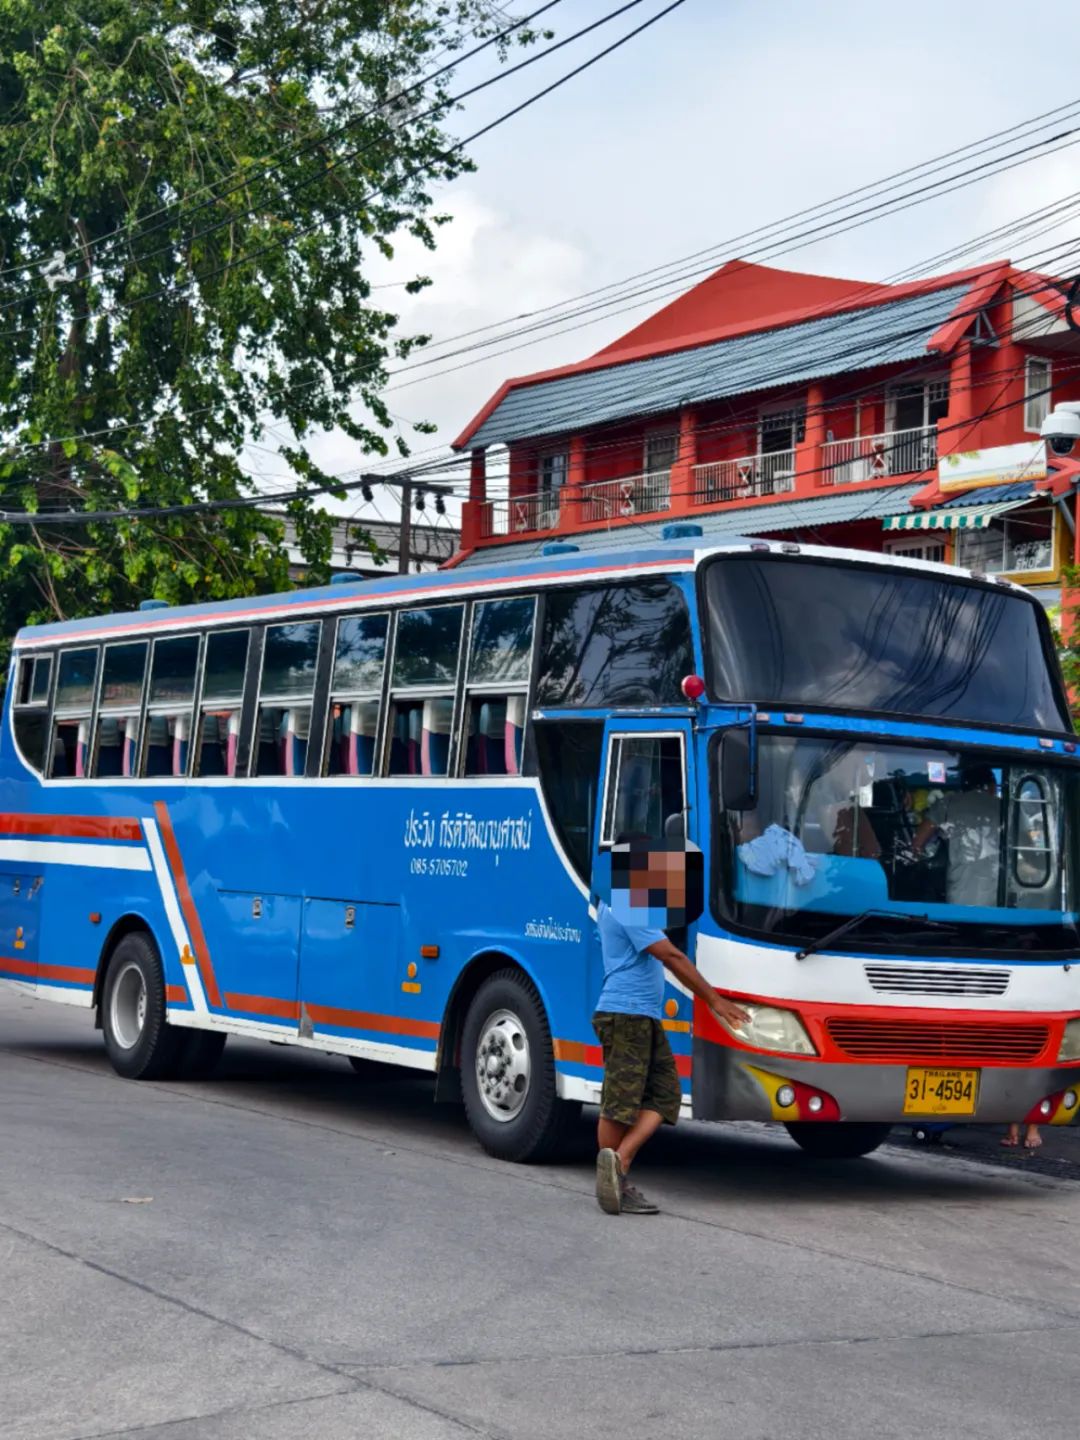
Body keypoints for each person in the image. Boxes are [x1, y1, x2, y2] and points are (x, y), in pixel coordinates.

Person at [593, 840, 749, 1216]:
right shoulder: (627, 904)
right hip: (627, 1014)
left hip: (641, 1015)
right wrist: (714, 1000)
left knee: (665, 1095)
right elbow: (671, 955)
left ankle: (619, 1164)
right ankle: (613, 1180)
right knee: (620, 1104)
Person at [912, 763, 1001, 906]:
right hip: (1002, 901)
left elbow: (917, 845)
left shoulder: (946, 804)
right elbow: (1031, 855)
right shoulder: (1007, 807)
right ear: (991, 786)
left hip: (959, 897)